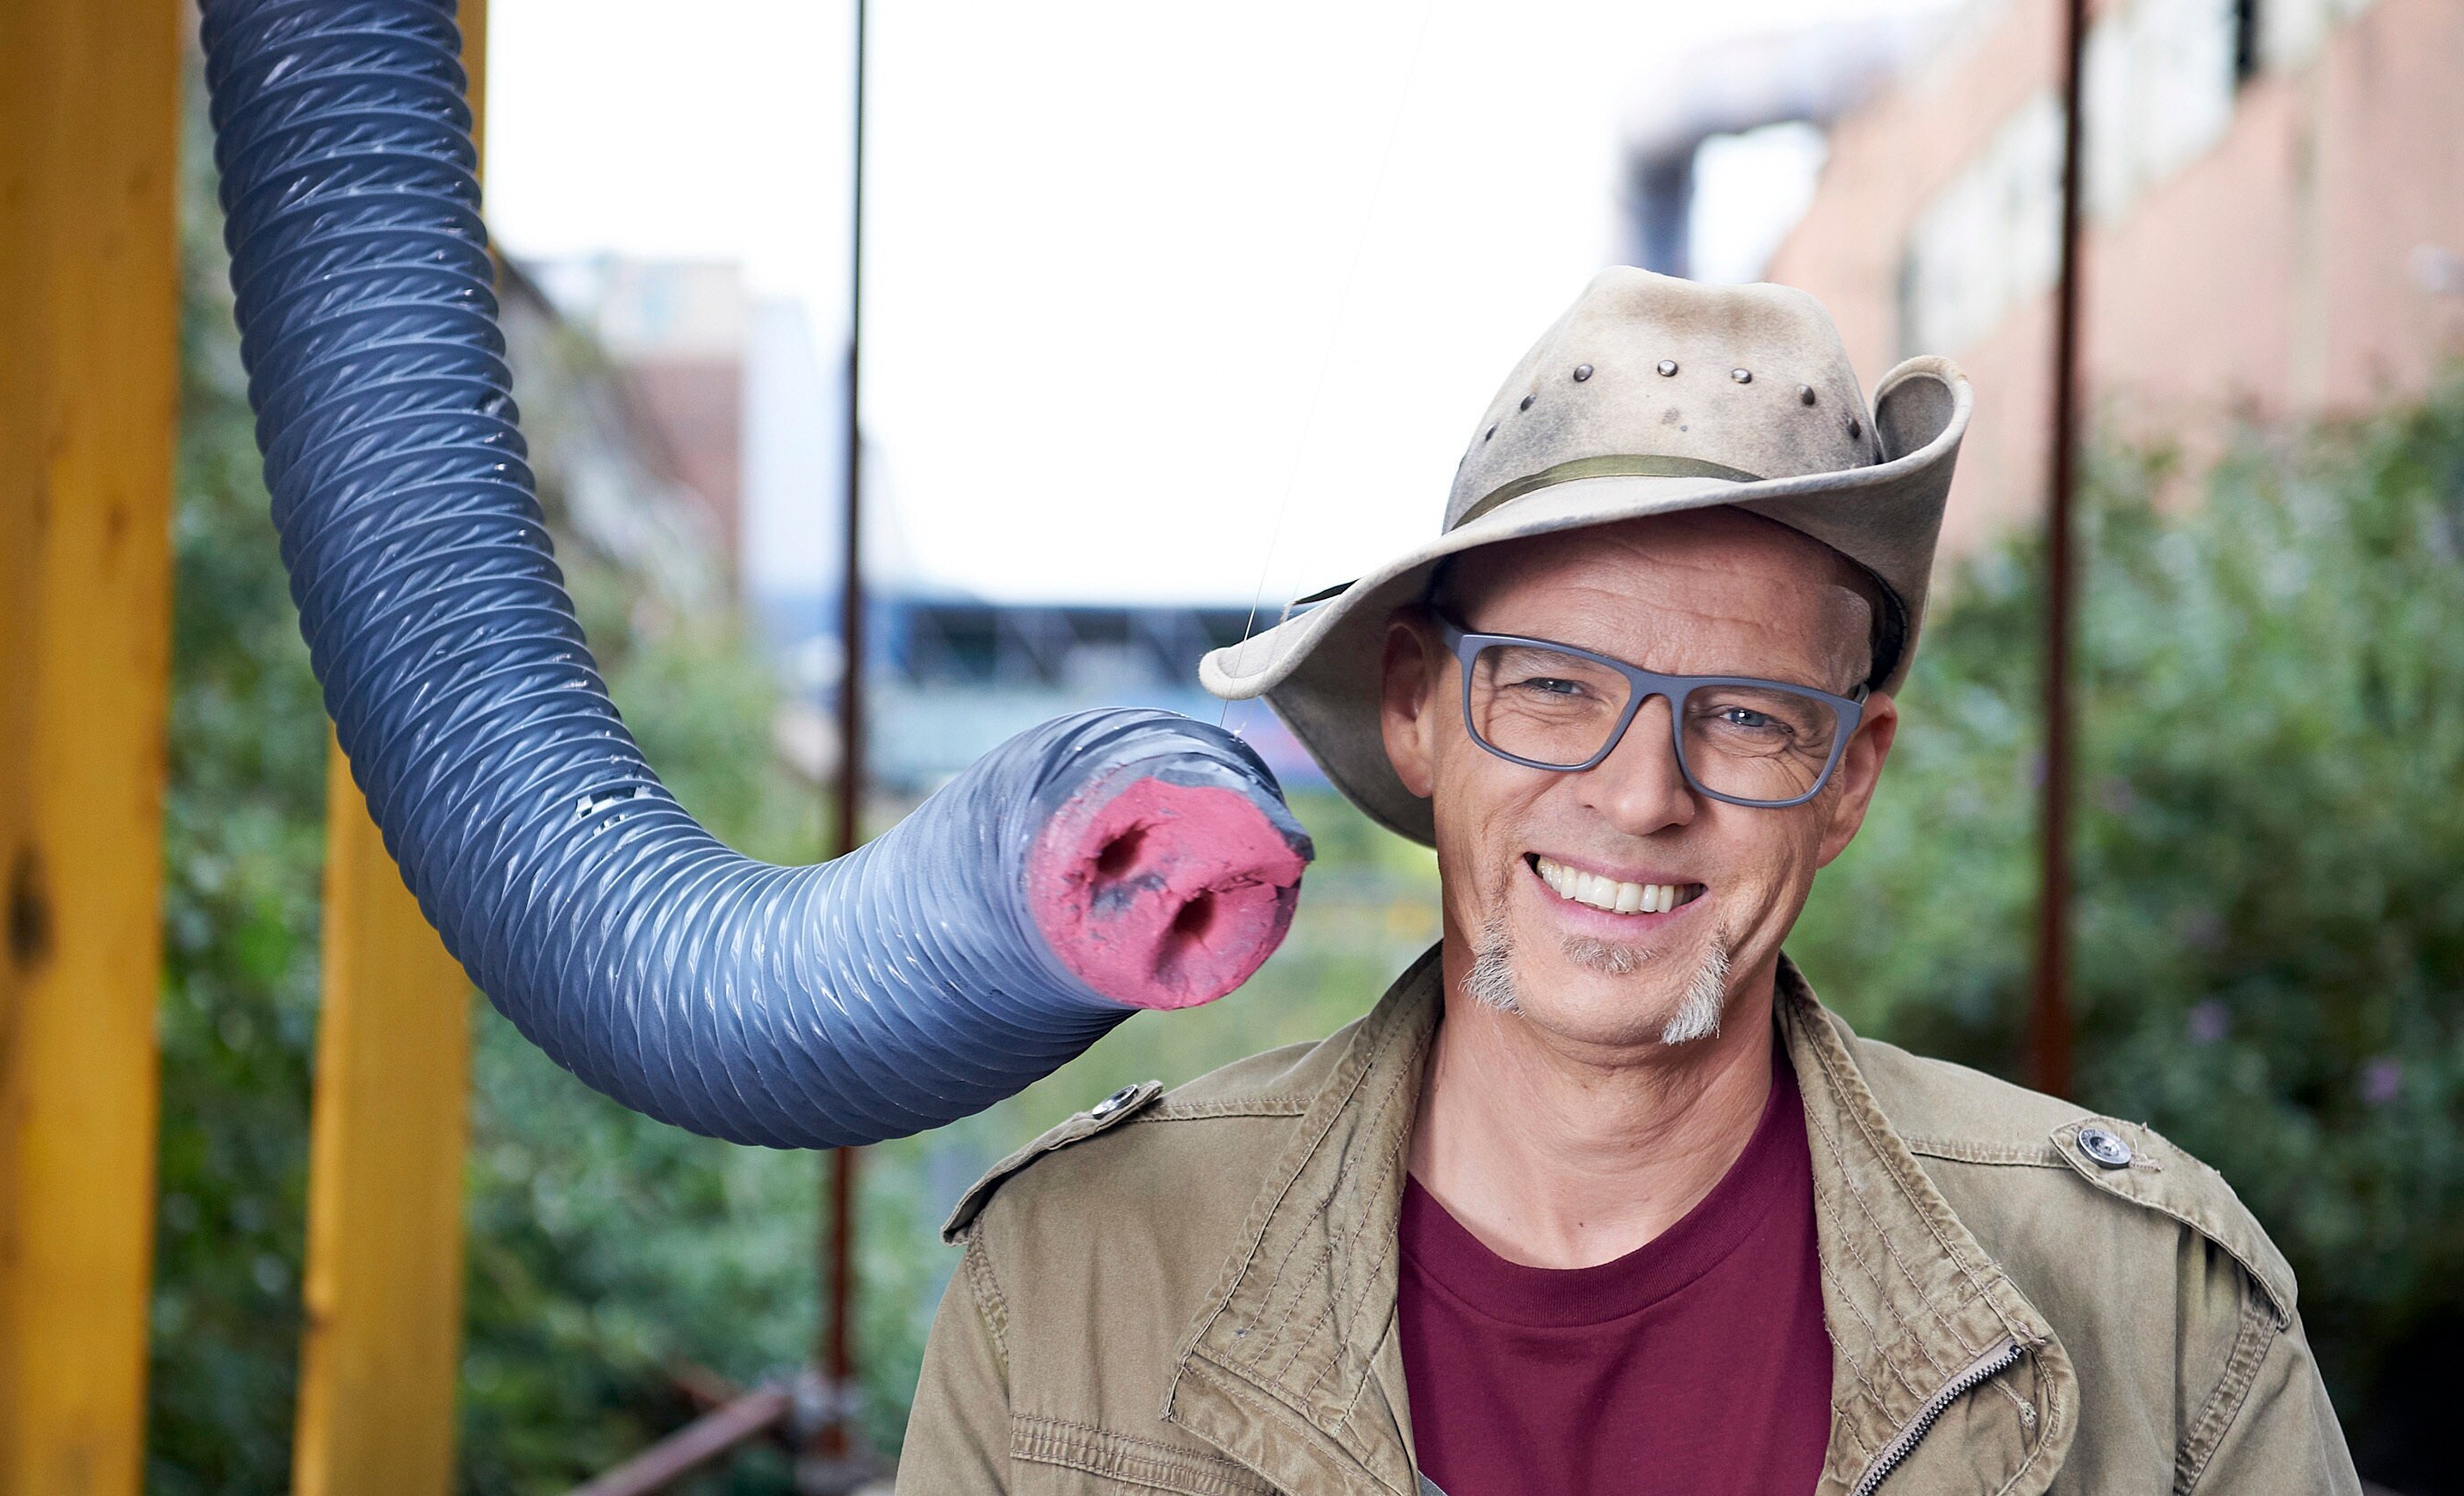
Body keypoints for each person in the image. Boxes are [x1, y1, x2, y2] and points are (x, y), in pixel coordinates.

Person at [895, 267, 2359, 1495]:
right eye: (1549, 686)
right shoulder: (1075, 1280)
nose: (1642, 795)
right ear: (1413, 707)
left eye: (1747, 715)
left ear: (1848, 778)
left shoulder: (2152, 1317)